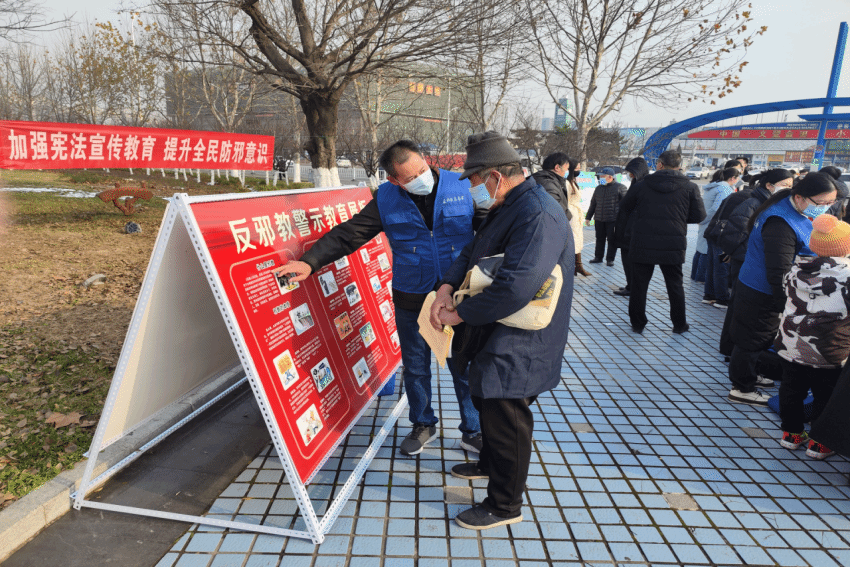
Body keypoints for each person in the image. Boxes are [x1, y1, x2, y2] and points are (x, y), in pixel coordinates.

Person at [273, 139, 484, 456]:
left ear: (426, 162)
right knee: (415, 367)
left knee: (463, 365)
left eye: (422, 170)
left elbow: (495, 225)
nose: (420, 179)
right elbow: (351, 233)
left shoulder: (462, 186)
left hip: (457, 296)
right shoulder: (385, 199)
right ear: (394, 180)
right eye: (410, 178)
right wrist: (310, 262)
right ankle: (422, 423)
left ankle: (473, 429)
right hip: (411, 294)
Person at [429, 131, 573, 530]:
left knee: (508, 416)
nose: (473, 189)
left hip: (521, 338)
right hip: (496, 327)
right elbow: (472, 251)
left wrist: (459, 315)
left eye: (474, 181)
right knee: (488, 401)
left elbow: (517, 285)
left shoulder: (538, 212)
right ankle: (489, 463)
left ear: (494, 175)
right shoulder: (509, 202)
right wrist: (445, 286)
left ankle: (504, 505)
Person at [727, 173, 839, 406]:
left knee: (758, 336)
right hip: (762, 289)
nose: (826, 208)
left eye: (831, 203)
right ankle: (742, 387)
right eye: (822, 203)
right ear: (800, 197)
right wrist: (785, 304)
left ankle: (751, 375)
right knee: (752, 339)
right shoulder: (780, 222)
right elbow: (778, 270)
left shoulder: (790, 208)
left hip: (760, 284)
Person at [775, 214, 850, 460]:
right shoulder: (847, 276)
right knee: (826, 395)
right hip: (830, 349)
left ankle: (792, 435)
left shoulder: (796, 270)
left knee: (791, 389)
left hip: (791, 343)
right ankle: (819, 443)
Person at [618, 150, 705, 334]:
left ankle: (638, 323)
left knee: (639, 285)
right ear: (679, 165)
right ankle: (679, 324)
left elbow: (625, 207)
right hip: (673, 244)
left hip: (643, 241)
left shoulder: (642, 185)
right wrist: (679, 218)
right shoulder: (690, 187)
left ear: (659, 164)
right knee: (675, 285)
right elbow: (699, 215)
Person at [717, 169, 793, 362]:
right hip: (745, 261)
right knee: (737, 308)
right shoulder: (754, 203)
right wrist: (734, 253)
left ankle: (732, 349)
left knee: (738, 308)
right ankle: (731, 349)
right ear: (769, 185)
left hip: (749, 260)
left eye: (791, 186)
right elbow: (734, 233)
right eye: (785, 185)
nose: (789, 189)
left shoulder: (769, 203)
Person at [532, 153, 590, 276]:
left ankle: (576, 266)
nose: (569, 171)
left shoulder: (554, 181)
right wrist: (567, 217)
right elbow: (555, 209)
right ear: (557, 167)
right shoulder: (549, 183)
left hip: (567, 218)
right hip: (553, 229)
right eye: (568, 168)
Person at [699, 168, 739, 307]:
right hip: (720, 231)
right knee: (720, 265)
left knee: (711, 263)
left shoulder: (717, 187)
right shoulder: (725, 190)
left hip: (712, 229)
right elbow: (716, 209)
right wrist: (703, 220)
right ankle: (721, 298)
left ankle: (709, 295)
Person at [612, 157, 650, 296]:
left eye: (632, 172)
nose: (630, 175)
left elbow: (629, 207)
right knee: (626, 261)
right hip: (626, 230)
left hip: (632, 232)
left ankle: (633, 288)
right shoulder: (636, 183)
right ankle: (630, 285)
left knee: (631, 262)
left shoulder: (642, 185)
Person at [585, 167, 626, 266]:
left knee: (612, 240)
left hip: (612, 219)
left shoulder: (620, 187)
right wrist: (588, 217)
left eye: (602, 176)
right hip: (599, 218)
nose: (600, 178)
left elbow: (625, 205)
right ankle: (598, 257)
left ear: (610, 177)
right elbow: (593, 204)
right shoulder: (598, 188)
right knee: (599, 238)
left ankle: (610, 259)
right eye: (600, 176)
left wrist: (623, 219)